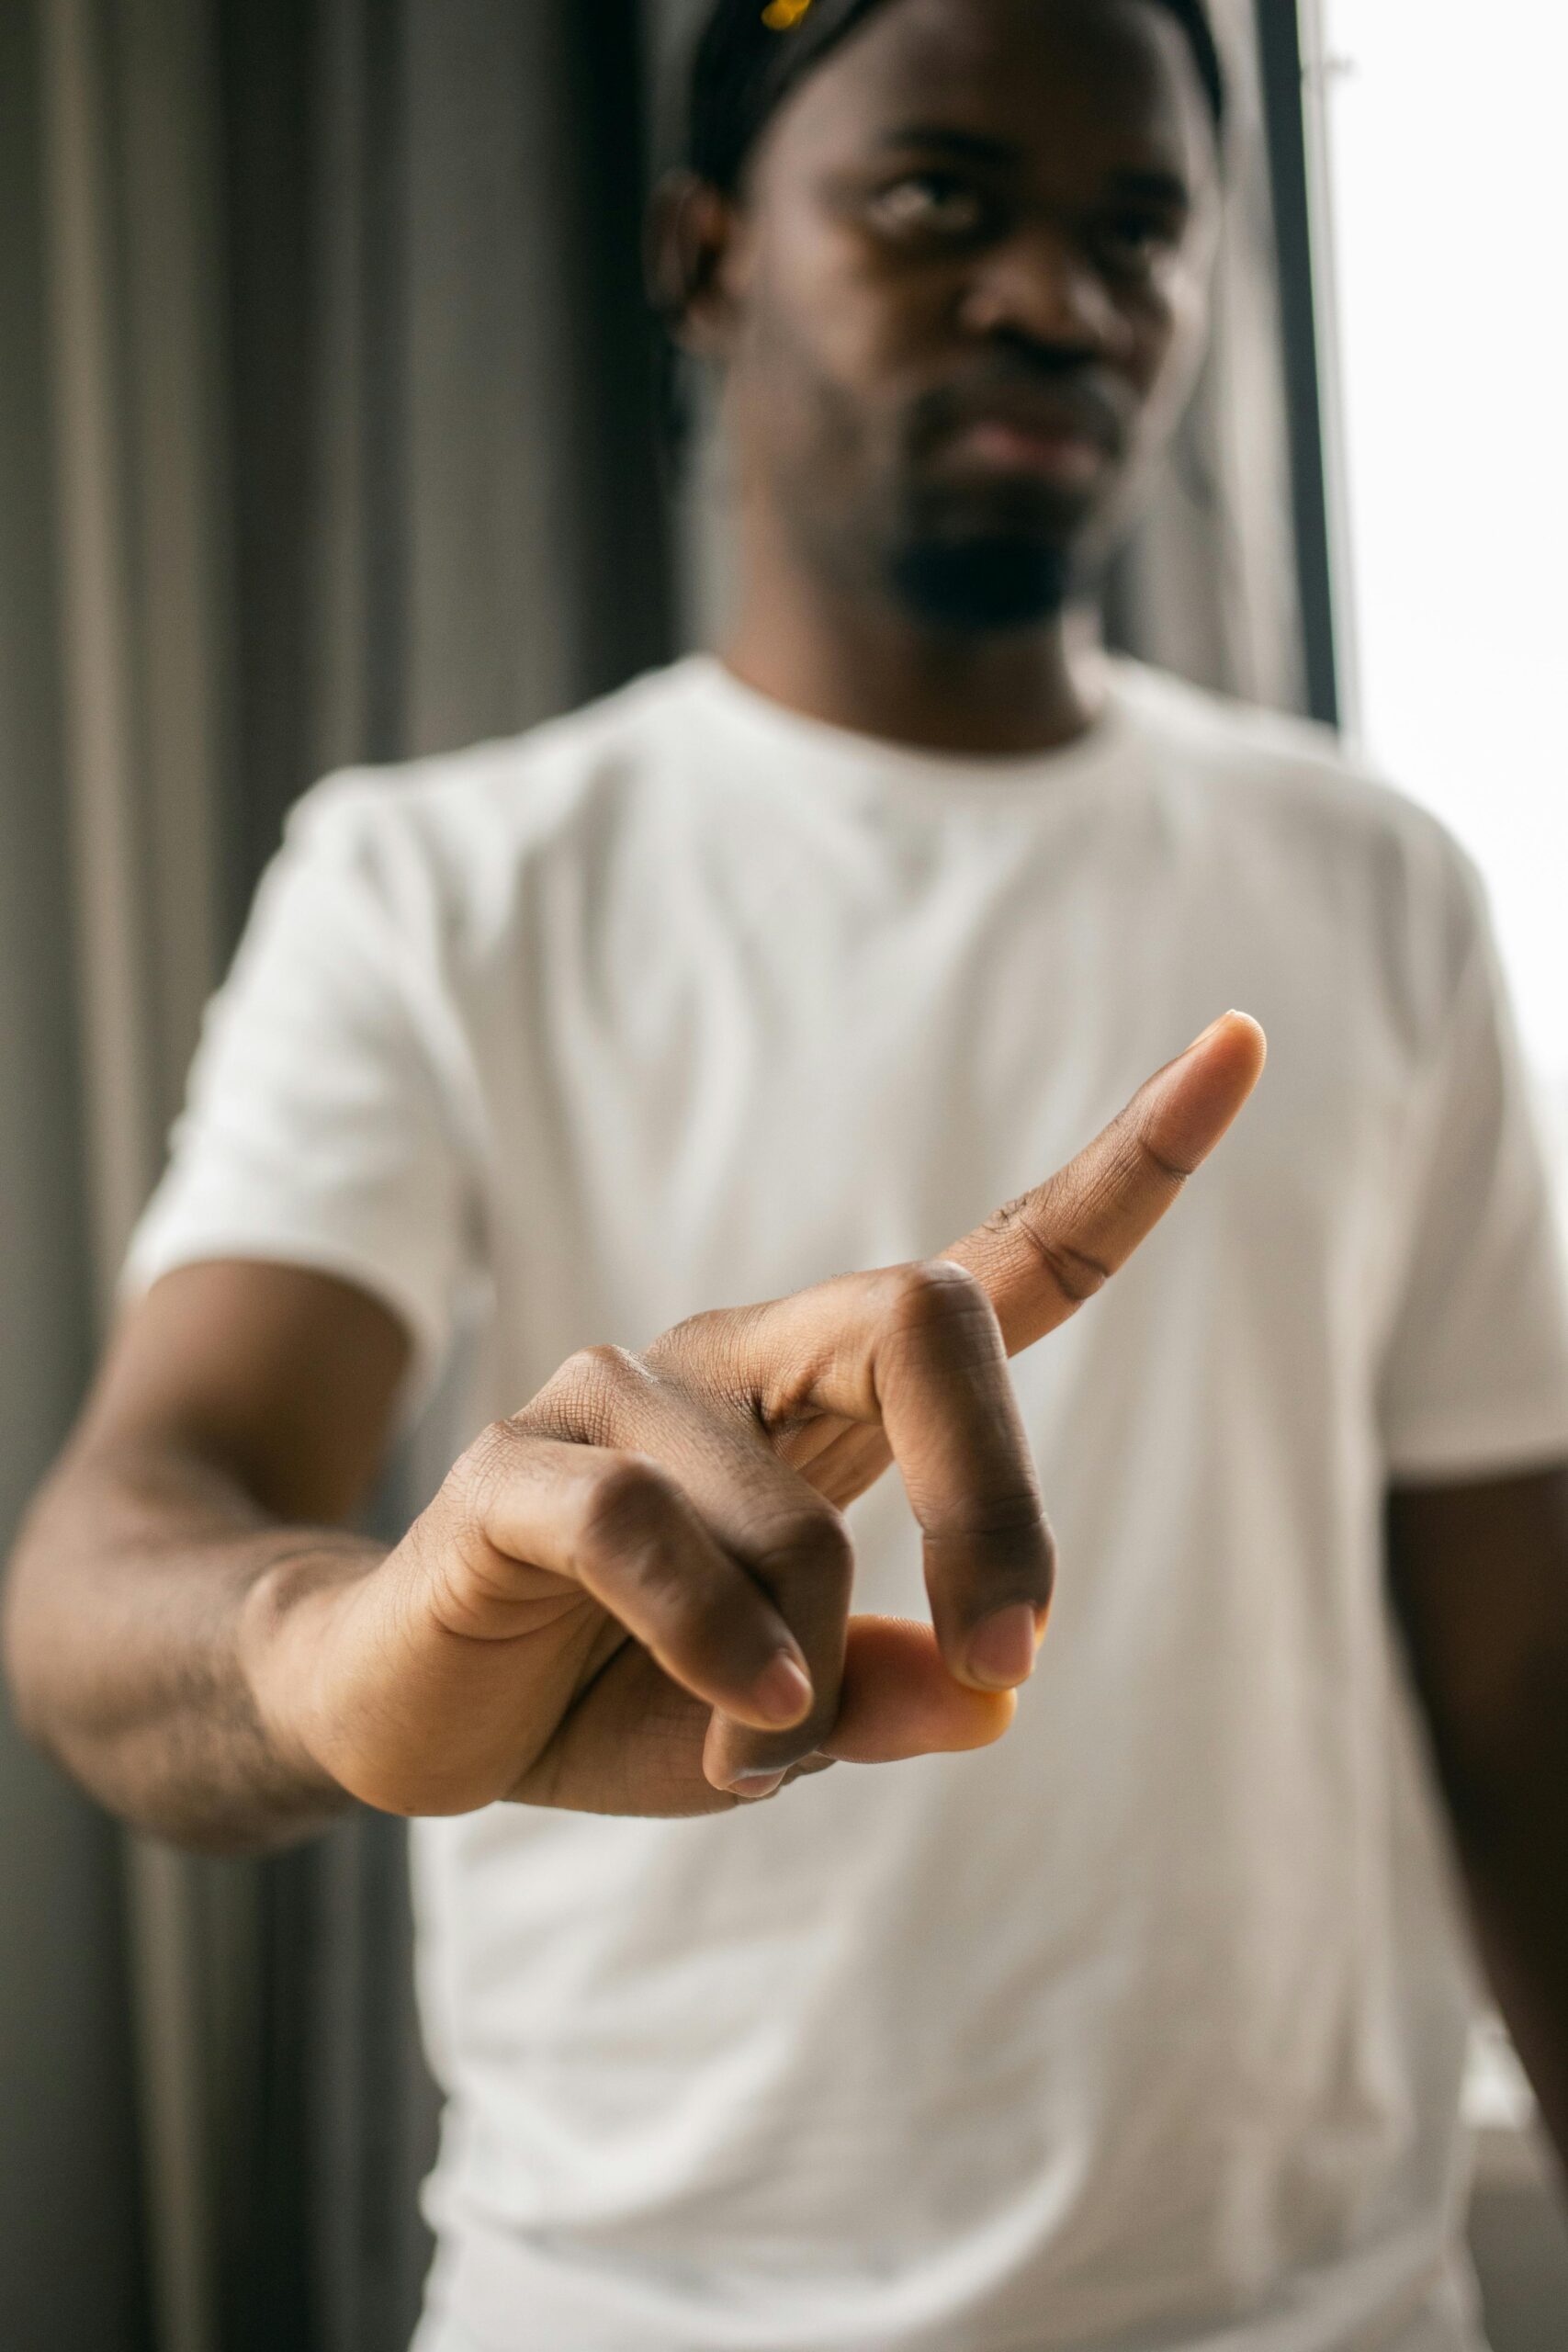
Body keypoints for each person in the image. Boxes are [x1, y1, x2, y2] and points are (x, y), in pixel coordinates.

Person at [6, 0, 1568, 2345]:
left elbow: (1524, 1678)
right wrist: (341, 1658)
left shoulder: (1370, 886)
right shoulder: (443, 882)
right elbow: (116, 1553)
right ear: (707, 249)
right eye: (941, 197)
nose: (1060, 293)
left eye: (1135, 226)